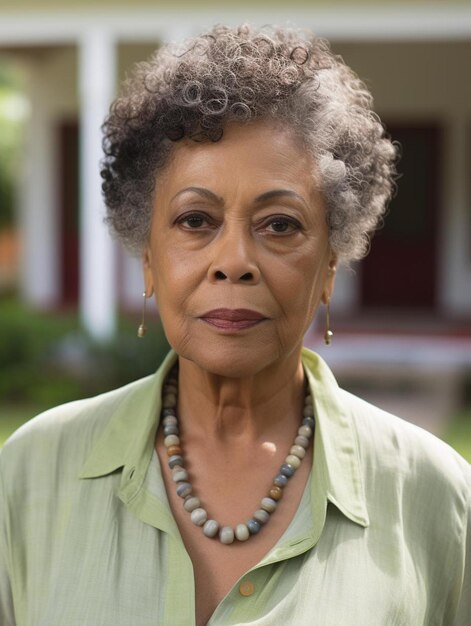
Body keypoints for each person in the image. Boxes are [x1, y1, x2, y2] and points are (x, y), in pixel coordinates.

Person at [0, 24, 469, 626]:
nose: (234, 262)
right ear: (149, 260)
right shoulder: (32, 472)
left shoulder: (438, 498)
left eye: (279, 225)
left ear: (330, 266)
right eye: (196, 220)